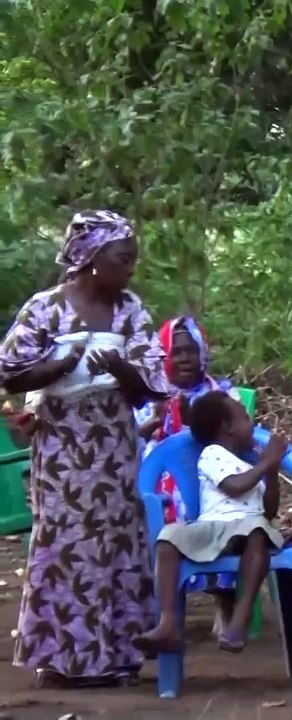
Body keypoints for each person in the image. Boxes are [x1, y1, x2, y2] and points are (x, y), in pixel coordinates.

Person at [0, 210, 169, 687]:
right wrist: (60, 365)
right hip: (61, 448)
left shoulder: (130, 310)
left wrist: (120, 367)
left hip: (114, 444)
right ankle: (61, 662)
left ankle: (115, 657)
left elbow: (147, 389)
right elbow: (9, 372)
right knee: (68, 546)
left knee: (115, 542)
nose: (130, 268)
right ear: (93, 258)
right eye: (122, 259)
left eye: (133, 259)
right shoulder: (45, 308)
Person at [134, 391, 287, 654]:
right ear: (228, 428)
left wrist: (271, 472)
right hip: (212, 528)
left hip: (250, 529)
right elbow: (234, 486)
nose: (253, 425)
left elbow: (270, 510)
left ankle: (239, 620)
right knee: (168, 538)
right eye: (246, 418)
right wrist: (266, 463)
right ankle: (169, 621)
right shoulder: (212, 454)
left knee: (259, 531)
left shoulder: (252, 463)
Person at [135, 316, 239, 629]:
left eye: (190, 350)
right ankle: (151, 612)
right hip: (155, 490)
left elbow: (239, 443)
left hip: (211, 487)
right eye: (175, 351)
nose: (183, 358)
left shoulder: (221, 394)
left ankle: (225, 600)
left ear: (202, 352)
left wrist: (199, 424)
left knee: (225, 508)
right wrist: (153, 424)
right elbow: (129, 441)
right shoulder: (148, 398)